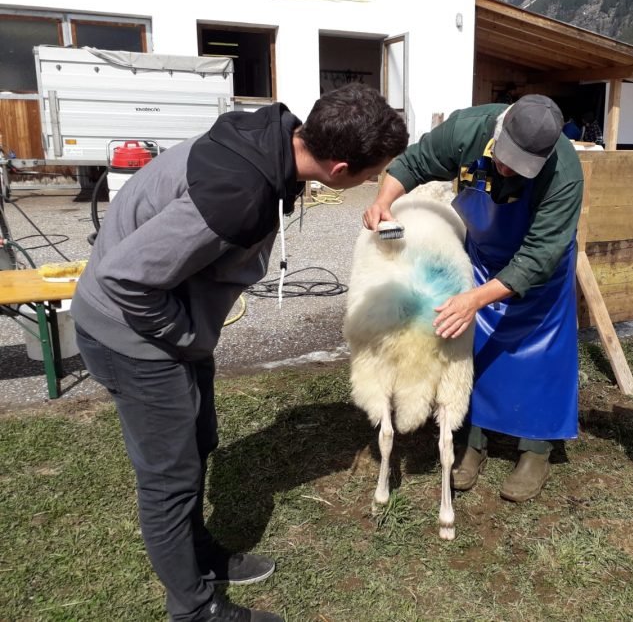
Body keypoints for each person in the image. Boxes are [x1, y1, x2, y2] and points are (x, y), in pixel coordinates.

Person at [72, 84, 408, 622]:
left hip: (169, 325)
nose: (373, 183)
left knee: (198, 441)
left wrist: (192, 335)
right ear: (340, 167)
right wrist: (186, 336)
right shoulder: (237, 193)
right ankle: (194, 609)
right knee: (169, 479)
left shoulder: (271, 137)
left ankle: (197, 556)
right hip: (133, 335)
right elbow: (124, 280)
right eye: (371, 175)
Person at [363, 95, 583, 503]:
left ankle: (535, 449)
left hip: (538, 272)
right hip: (485, 254)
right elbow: (413, 163)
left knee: (540, 355)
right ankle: (475, 440)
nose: (505, 170)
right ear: (497, 132)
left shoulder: (564, 173)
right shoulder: (466, 129)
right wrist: (382, 201)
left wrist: (475, 299)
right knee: (476, 347)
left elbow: (538, 255)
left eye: (519, 168)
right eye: (503, 158)